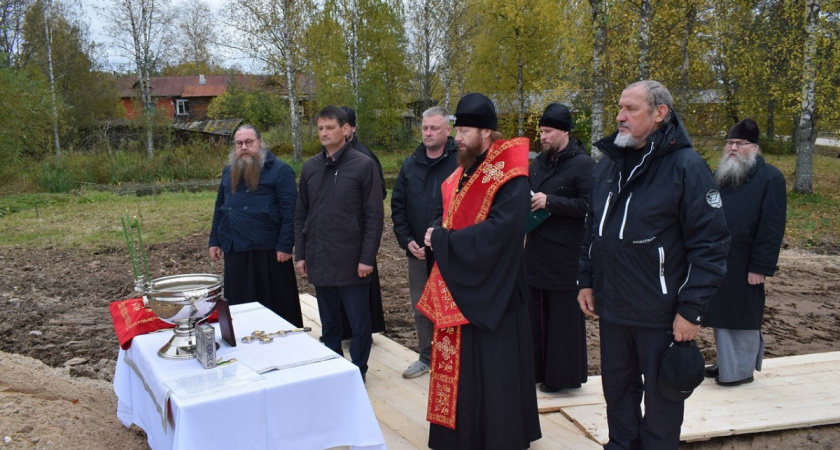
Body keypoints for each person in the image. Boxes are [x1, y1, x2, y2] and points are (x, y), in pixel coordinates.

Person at [577, 80, 730, 449]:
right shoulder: (609, 165)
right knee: (617, 390)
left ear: (660, 114)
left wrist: (691, 310)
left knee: (662, 402)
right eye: (619, 108)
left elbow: (710, 245)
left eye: (631, 109)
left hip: (661, 313)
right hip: (613, 308)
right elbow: (591, 227)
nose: (620, 117)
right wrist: (586, 278)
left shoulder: (686, 167)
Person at [417, 93, 541, 449]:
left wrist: (444, 241)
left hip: (494, 293)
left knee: (492, 373)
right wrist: (438, 235)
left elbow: (503, 232)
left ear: (487, 132)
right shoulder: (466, 170)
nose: (458, 137)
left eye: (466, 130)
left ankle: (494, 437)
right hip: (462, 283)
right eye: (458, 129)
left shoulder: (511, 177)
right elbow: (450, 218)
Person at [294, 106, 384, 380]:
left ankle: (358, 372)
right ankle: (335, 373)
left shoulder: (363, 165)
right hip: (320, 258)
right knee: (330, 324)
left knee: (359, 323)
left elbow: (374, 216)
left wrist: (367, 258)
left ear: (345, 129)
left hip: (351, 260)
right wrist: (301, 253)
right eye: (320, 128)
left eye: (329, 127)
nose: (324, 133)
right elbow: (301, 213)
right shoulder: (311, 167)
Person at [703, 118, 786, 387]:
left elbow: (772, 227)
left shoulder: (771, 177)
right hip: (721, 256)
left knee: (743, 314)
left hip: (748, 260)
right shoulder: (725, 176)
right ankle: (727, 363)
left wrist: (760, 267)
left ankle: (740, 369)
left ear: (755, 147)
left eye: (740, 143)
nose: (733, 148)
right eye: (730, 143)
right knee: (721, 311)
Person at [526, 103, 594, 393]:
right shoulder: (539, 162)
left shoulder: (584, 165)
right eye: (541, 131)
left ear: (565, 131)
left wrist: (551, 202)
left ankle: (561, 378)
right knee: (536, 317)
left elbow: (590, 206)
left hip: (566, 256)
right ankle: (535, 371)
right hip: (536, 251)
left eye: (548, 131)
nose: (543, 136)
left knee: (562, 320)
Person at [208, 124, 303, 327]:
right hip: (235, 248)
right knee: (241, 308)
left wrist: (286, 245)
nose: (244, 147)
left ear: (260, 143)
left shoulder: (280, 170)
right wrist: (214, 240)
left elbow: (291, 213)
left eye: (249, 142)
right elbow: (220, 208)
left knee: (275, 306)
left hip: (268, 250)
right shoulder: (229, 171)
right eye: (239, 143)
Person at [391, 106, 458, 379]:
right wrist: (407, 241)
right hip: (418, 253)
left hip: (450, 252)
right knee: (421, 306)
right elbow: (397, 207)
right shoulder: (410, 165)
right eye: (424, 128)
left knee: (451, 307)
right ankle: (425, 357)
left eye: (434, 128)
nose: (428, 133)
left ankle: (452, 360)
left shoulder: (459, 163)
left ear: (447, 130)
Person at [339, 106, 387, 338]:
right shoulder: (327, 157)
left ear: (352, 128)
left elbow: (380, 194)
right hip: (336, 234)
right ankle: (344, 329)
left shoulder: (365, 157)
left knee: (359, 283)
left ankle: (361, 330)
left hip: (358, 232)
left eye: (341, 126)